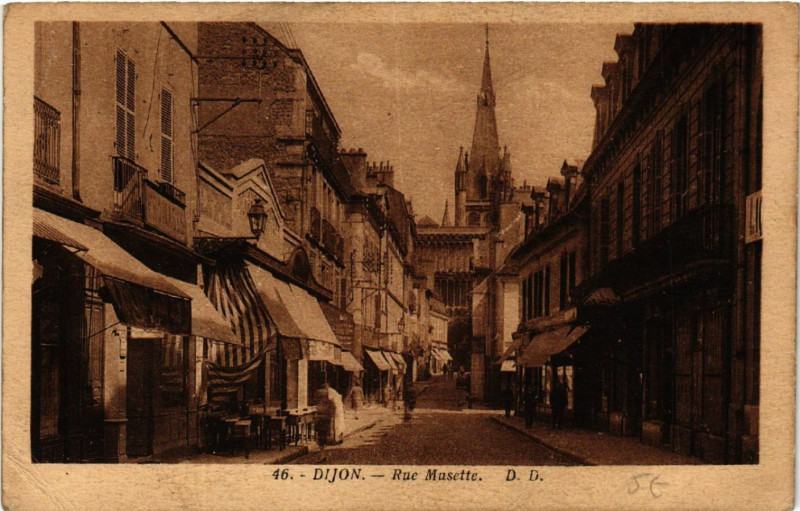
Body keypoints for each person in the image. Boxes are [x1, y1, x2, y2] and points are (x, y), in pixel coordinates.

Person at [314, 385, 333, 461]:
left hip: (326, 423)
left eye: (322, 397)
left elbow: (330, 415)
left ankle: (323, 455)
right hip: (320, 423)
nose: (321, 398)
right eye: (320, 397)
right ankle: (323, 455)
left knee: (323, 439)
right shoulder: (320, 403)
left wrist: (319, 416)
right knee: (320, 440)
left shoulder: (330, 403)